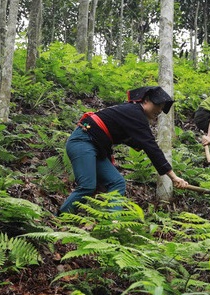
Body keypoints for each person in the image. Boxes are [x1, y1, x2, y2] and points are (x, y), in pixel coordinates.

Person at [58, 86, 191, 215]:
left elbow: (142, 144)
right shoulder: (135, 113)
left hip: (96, 147)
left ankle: (113, 225)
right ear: (146, 101)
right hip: (83, 141)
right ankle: (61, 219)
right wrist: (173, 177)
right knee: (87, 186)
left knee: (117, 183)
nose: (160, 111)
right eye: (158, 105)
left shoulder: (133, 115)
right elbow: (151, 148)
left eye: (162, 108)